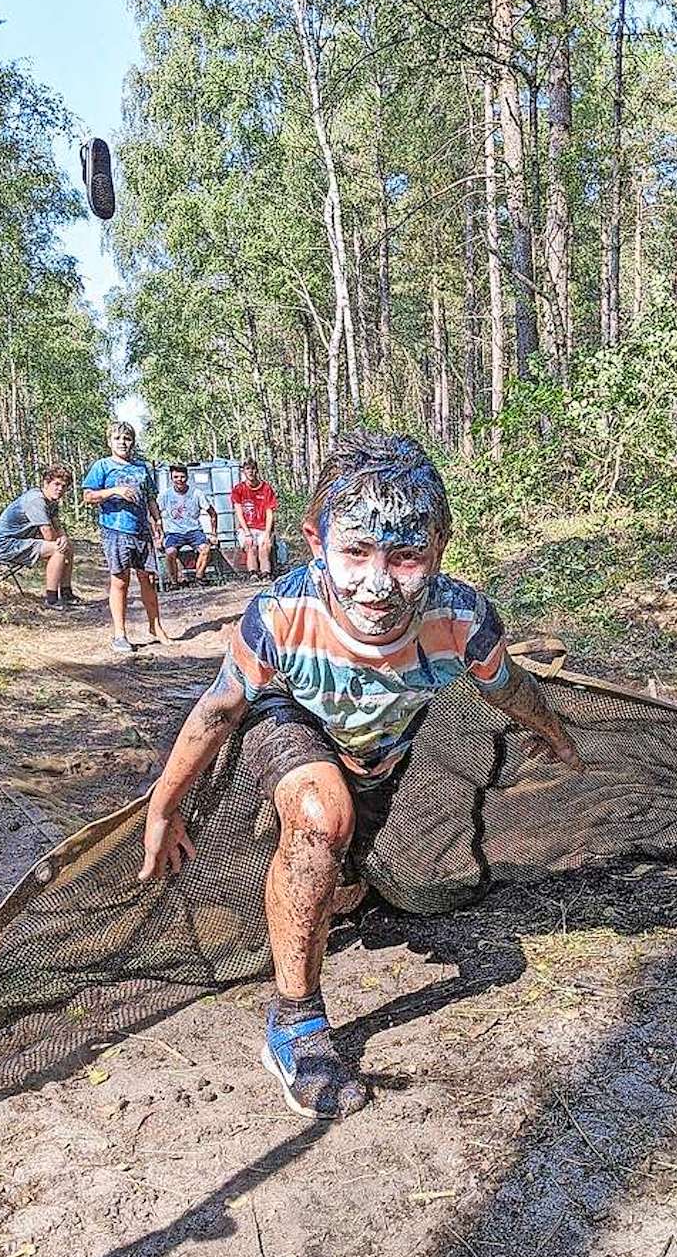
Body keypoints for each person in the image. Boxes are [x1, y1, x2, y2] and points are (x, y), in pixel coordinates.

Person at [139, 431, 581, 1120]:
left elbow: (507, 686)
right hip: (291, 717)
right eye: (355, 553)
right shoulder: (282, 615)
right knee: (322, 816)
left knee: (341, 880)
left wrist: (551, 730)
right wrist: (163, 810)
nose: (377, 584)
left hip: (378, 752)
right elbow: (221, 707)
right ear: (316, 542)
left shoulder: (460, 620)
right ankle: (294, 1023)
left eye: (405, 557)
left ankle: (325, 873)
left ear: (439, 547)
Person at [82, 421, 171, 655]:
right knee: (120, 581)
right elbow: (88, 496)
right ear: (109, 441)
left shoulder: (141, 468)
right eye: (118, 438)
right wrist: (114, 491)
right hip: (115, 530)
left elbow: (151, 497)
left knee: (148, 580)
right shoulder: (102, 466)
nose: (123, 442)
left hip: (141, 530)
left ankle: (156, 627)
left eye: (127, 438)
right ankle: (120, 634)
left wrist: (157, 522)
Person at [0, 464, 78, 608]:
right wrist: (60, 541)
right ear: (46, 483)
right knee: (58, 549)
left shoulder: (52, 502)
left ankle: (66, 593)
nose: (60, 489)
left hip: (21, 542)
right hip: (6, 546)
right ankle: (52, 599)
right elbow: (48, 535)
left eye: (64, 486)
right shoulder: (36, 500)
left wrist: (64, 538)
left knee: (68, 547)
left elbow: (57, 527)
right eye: (56, 484)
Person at [160, 464, 219, 585]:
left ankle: (199, 577)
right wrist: (158, 535)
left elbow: (213, 513)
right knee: (170, 552)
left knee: (206, 549)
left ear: (187, 477)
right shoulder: (165, 495)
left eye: (182, 477)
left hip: (194, 531)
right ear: (171, 478)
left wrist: (214, 534)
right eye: (176, 477)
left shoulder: (197, 493)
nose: (179, 480)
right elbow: (154, 515)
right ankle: (174, 582)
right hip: (174, 532)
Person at [231, 457, 277, 578]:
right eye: (247, 469)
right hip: (247, 527)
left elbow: (269, 512)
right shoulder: (238, 489)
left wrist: (267, 533)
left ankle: (266, 573)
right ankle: (253, 573)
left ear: (257, 470)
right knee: (250, 546)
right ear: (244, 472)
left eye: (253, 469)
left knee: (264, 547)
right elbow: (239, 513)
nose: (250, 472)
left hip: (262, 527)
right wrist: (247, 533)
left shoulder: (266, 488)